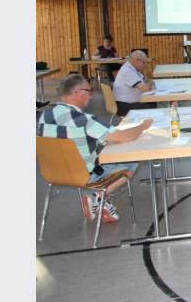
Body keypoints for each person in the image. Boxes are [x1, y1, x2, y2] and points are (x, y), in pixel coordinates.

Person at [37, 74, 153, 222]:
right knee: (132, 160)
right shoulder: (83, 120)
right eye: (89, 91)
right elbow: (124, 137)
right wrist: (143, 126)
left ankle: (103, 204)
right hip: (85, 173)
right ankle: (97, 197)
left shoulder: (44, 117)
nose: (91, 96)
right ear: (77, 92)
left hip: (54, 171)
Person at [113, 50, 157, 116]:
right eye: (144, 62)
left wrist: (148, 82)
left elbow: (146, 81)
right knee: (154, 104)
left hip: (127, 103)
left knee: (153, 102)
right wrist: (149, 83)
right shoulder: (128, 71)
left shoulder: (132, 68)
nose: (145, 65)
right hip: (125, 106)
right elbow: (146, 88)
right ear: (136, 60)